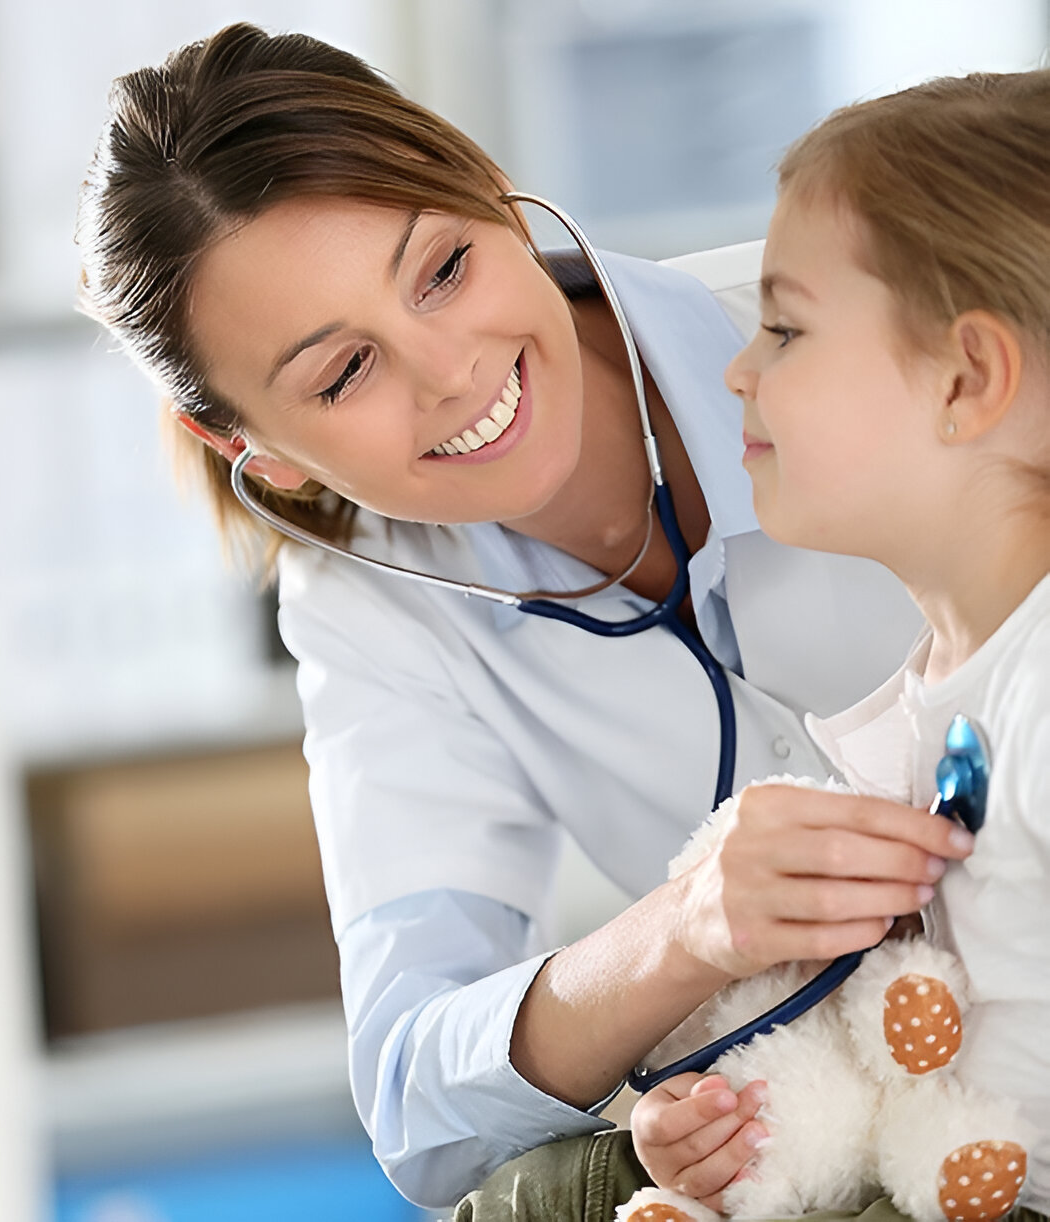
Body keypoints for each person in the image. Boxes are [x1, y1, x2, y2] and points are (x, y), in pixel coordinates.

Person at [76, 24, 974, 1211]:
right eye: (343, 373)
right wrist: (684, 935)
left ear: (486, 189)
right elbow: (413, 1099)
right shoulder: (367, 607)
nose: (450, 373)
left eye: (442, 269)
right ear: (259, 454)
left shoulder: (854, 310)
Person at [459, 69, 1050, 1222]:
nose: (737, 367)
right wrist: (732, 1128)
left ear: (965, 379)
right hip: (937, 1165)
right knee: (542, 1191)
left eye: (783, 328)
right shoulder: (932, 692)